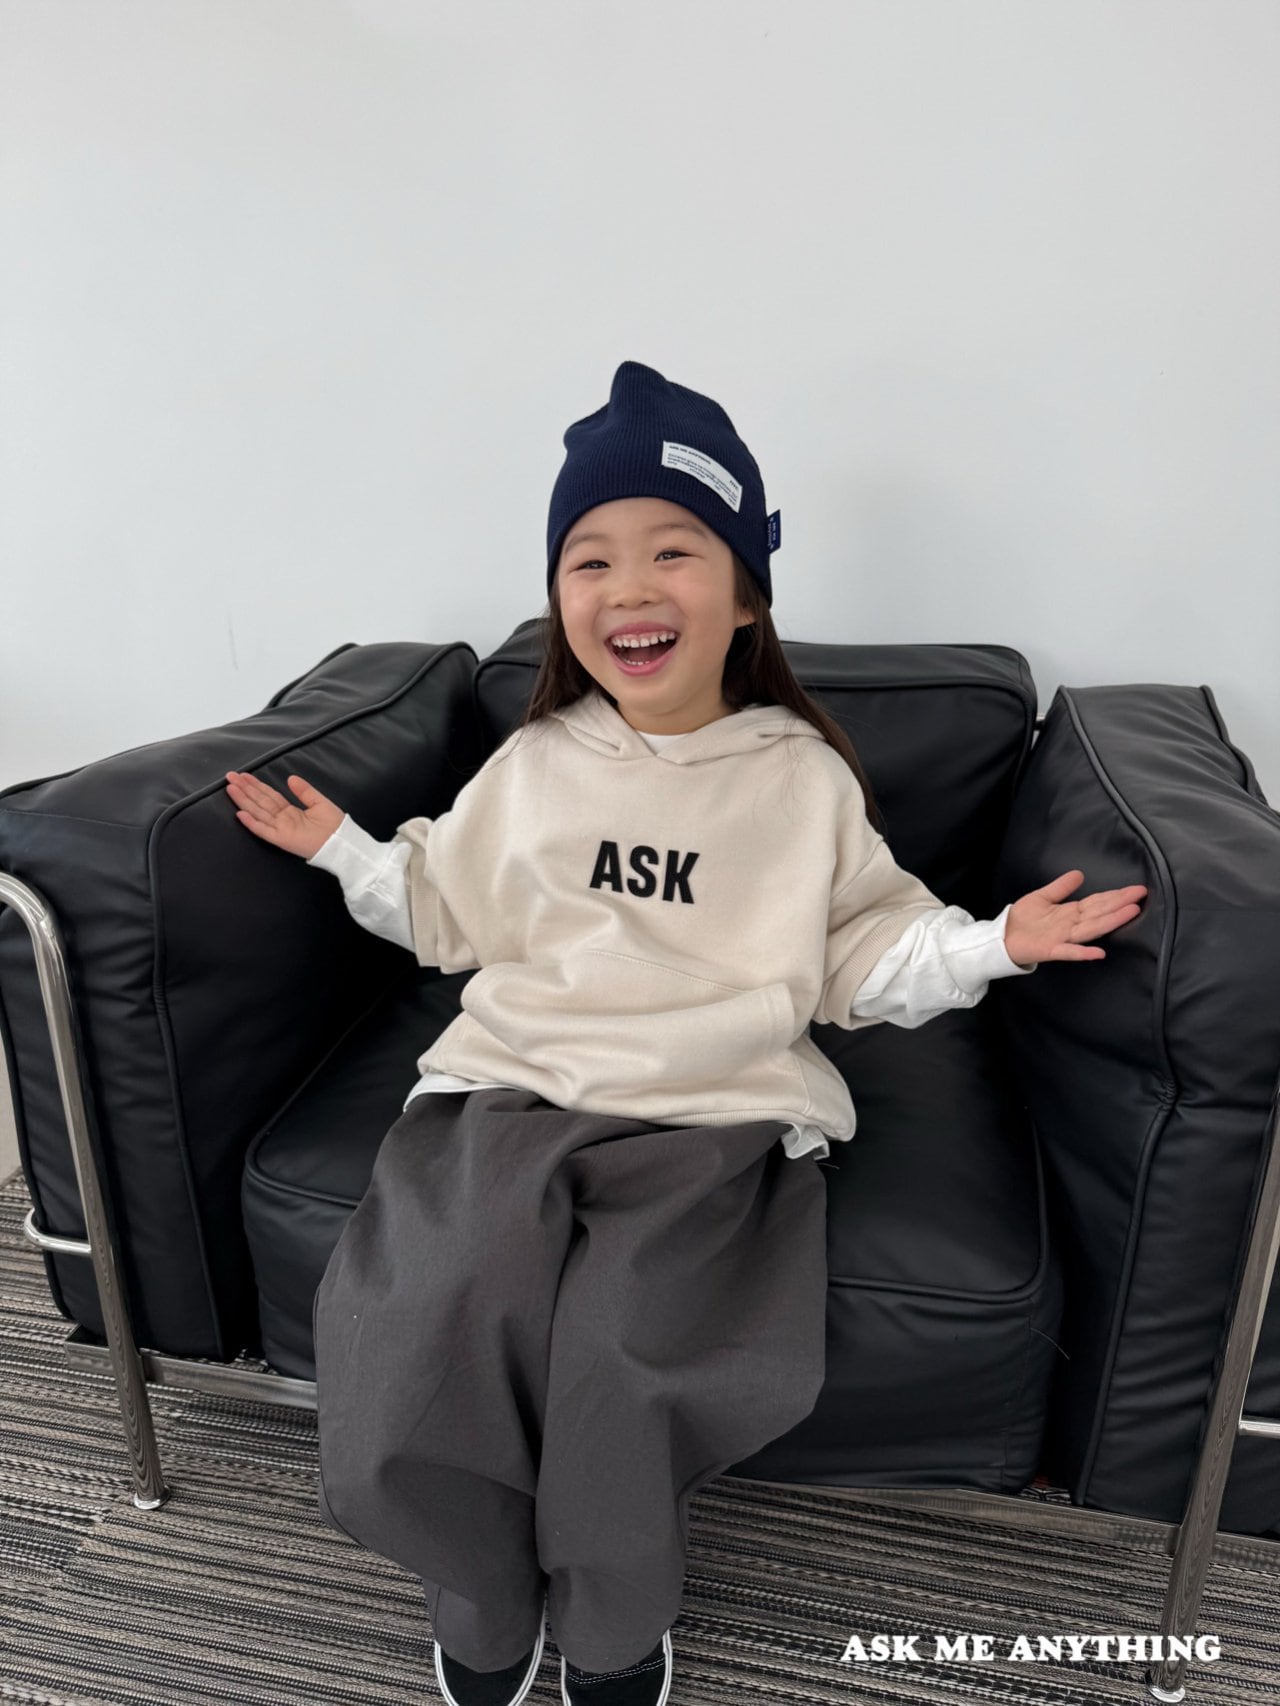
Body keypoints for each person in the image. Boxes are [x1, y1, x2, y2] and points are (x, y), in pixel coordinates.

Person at [224, 360, 1147, 1706]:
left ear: (745, 596)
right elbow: (445, 905)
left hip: (710, 1117)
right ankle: (479, 1590)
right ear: (560, 599)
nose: (631, 587)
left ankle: (613, 1620)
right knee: (424, 1316)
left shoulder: (800, 779)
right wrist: (344, 850)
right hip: (510, 1089)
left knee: (627, 1353)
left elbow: (861, 951)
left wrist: (990, 944)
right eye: (590, 559)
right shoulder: (535, 762)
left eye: (674, 550)